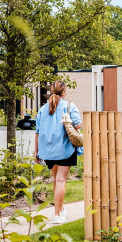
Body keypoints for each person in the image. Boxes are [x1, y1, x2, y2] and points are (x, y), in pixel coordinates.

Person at [34, 80, 82, 224]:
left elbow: (37, 131)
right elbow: (78, 124)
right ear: (64, 92)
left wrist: (36, 152)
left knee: (56, 179)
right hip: (64, 149)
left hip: (48, 150)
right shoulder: (69, 106)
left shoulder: (43, 109)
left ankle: (60, 209)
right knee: (61, 180)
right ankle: (57, 215)